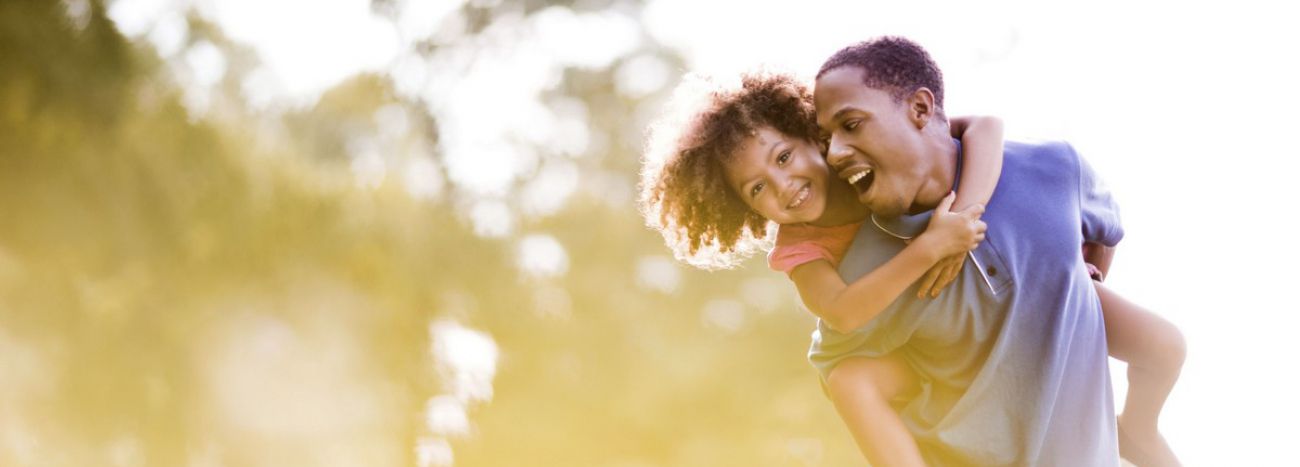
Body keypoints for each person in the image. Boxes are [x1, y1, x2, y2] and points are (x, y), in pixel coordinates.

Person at [810, 36, 1185, 465]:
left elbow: (1103, 231)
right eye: (826, 138)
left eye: (852, 125)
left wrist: (1078, 287)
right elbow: (843, 373)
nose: (835, 153)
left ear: (919, 108)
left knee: (1167, 346)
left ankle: (1137, 430)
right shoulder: (869, 268)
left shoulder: (1055, 167)